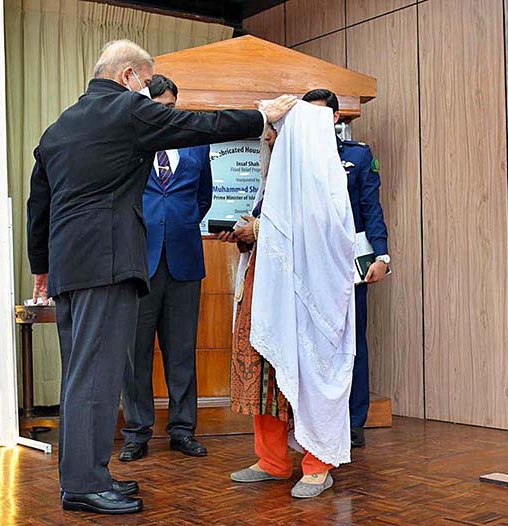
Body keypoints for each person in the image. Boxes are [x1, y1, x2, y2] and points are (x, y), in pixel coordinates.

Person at [26, 39, 296, 515]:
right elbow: (197, 125)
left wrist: (42, 271)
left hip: (71, 268)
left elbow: (39, 206)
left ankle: (85, 476)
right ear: (129, 75)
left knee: (80, 376)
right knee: (98, 376)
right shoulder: (126, 109)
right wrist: (262, 114)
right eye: (147, 81)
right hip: (107, 265)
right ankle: (84, 485)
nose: (148, 90)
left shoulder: (58, 127)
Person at [220, 100, 357, 499]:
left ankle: (318, 464)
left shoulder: (323, 182)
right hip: (266, 293)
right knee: (266, 374)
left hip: (307, 304)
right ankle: (272, 460)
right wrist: (247, 234)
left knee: (310, 377)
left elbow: (320, 238)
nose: (269, 140)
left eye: (276, 133)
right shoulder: (275, 180)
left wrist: (261, 231)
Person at [120, 74, 211, 462]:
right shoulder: (133, 146)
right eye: (159, 108)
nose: (166, 114)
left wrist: (179, 225)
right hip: (140, 264)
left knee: (181, 352)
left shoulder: (196, 144)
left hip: (184, 262)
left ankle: (182, 429)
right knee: (135, 353)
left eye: (171, 108)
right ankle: (137, 433)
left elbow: (202, 198)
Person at [302, 88, 390, 448]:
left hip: (349, 262)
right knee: (313, 341)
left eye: (321, 115)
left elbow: (371, 208)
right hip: (309, 262)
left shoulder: (356, 155)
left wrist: (382, 257)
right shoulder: (297, 158)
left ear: (336, 118)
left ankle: (353, 421)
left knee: (353, 342)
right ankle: (316, 419)